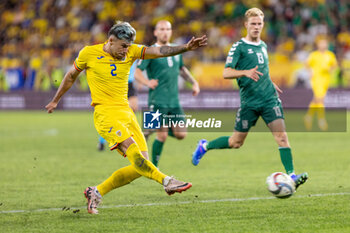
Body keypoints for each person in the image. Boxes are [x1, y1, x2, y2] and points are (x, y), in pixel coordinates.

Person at [46, 21, 207, 214]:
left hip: (126, 112)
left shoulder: (130, 51)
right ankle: (167, 181)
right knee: (136, 156)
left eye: (129, 46)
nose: (126, 50)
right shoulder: (88, 53)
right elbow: (71, 76)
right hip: (105, 113)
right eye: (123, 46)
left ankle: (96, 191)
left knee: (141, 166)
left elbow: (159, 51)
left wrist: (186, 48)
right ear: (111, 40)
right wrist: (55, 100)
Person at [191, 8, 308, 190]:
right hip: (250, 103)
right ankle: (205, 146)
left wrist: (270, 82)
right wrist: (244, 72)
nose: (256, 27)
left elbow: (263, 69)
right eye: (253, 24)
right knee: (236, 142)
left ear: (263, 25)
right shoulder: (239, 47)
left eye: (259, 24)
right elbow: (226, 72)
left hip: (269, 100)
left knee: (282, 137)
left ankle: (292, 175)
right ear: (246, 25)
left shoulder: (263, 46)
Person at [135, 20, 200, 167]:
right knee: (162, 135)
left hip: (174, 101)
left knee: (181, 134)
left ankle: (151, 130)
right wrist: (147, 83)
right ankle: (154, 168)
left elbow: (181, 69)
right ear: (155, 32)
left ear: (171, 32)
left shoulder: (177, 50)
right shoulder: (150, 51)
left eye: (168, 29)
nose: (165, 32)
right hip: (157, 99)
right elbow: (137, 72)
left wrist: (194, 83)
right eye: (162, 29)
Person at [304, 37, 338, 131]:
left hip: (326, 80)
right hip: (317, 79)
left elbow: (334, 65)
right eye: (321, 43)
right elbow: (306, 64)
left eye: (325, 43)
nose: (323, 45)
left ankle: (308, 116)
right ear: (318, 45)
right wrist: (310, 71)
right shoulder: (314, 55)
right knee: (320, 99)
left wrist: (329, 69)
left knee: (316, 99)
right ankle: (321, 120)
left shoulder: (330, 55)